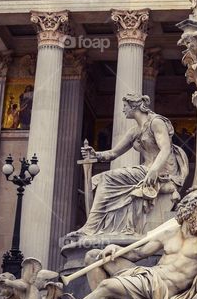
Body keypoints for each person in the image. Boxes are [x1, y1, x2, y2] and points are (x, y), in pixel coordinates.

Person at [31, 197, 197, 299]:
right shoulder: (168, 234)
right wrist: (115, 248)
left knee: (107, 286)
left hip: (161, 288)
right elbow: (138, 254)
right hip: (148, 275)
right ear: (187, 212)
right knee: (93, 256)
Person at [69, 93, 188, 237]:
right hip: (145, 170)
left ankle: (91, 227)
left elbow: (166, 149)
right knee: (100, 179)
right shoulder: (134, 132)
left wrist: (154, 170)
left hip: (161, 172)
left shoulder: (156, 122)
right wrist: (95, 154)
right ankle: (96, 227)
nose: (123, 109)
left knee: (107, 178)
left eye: (125, 106)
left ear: (134, 106)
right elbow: (113, 153)